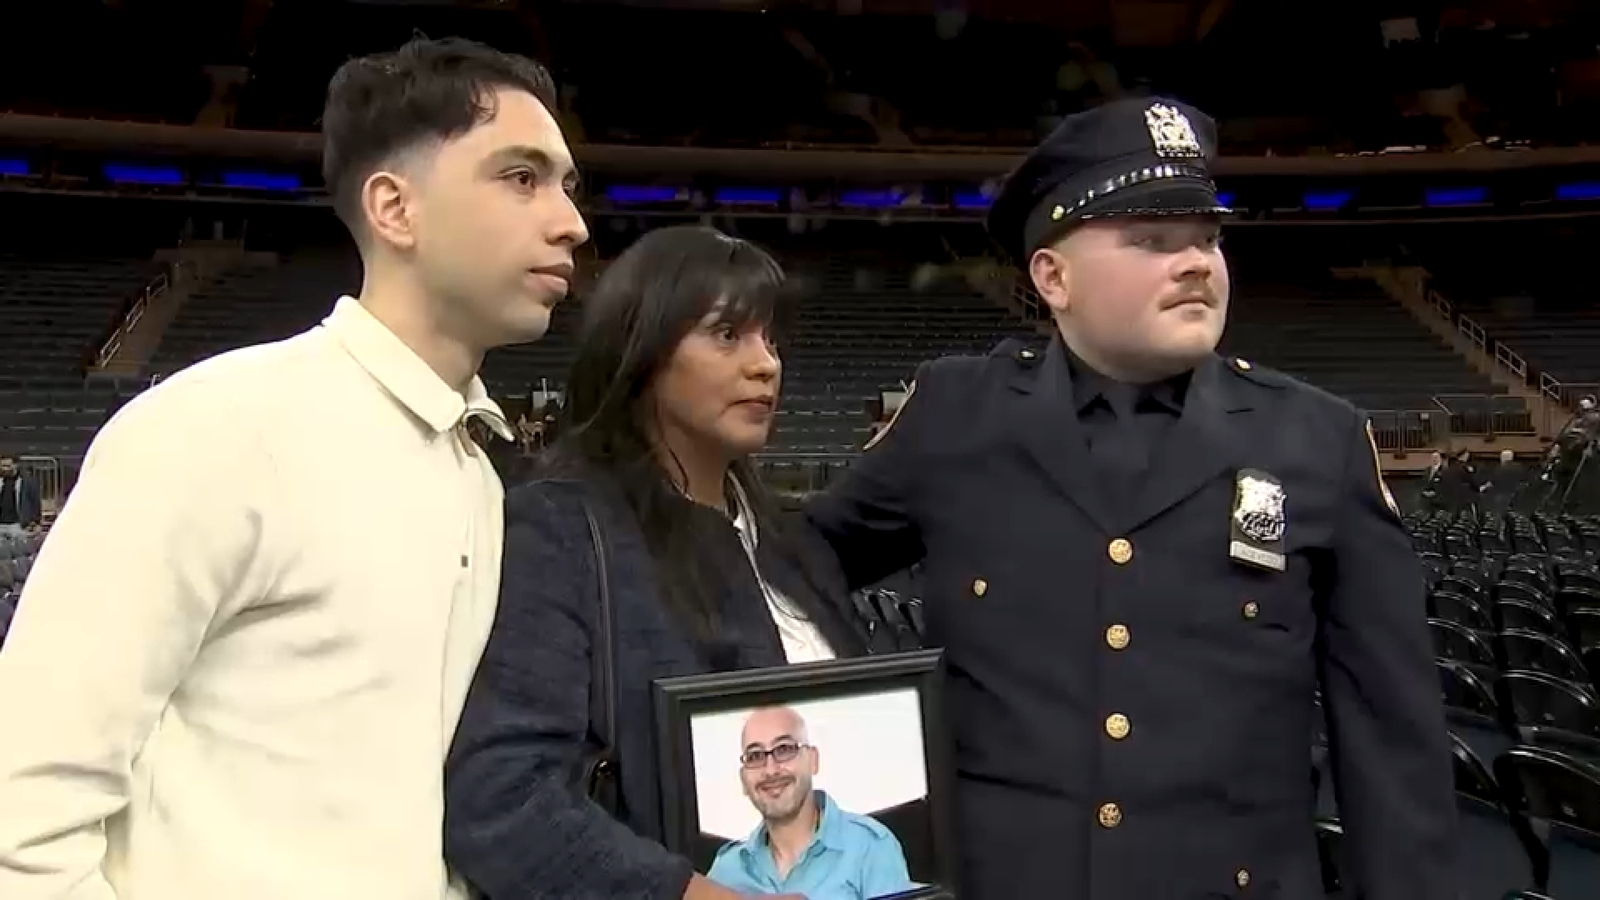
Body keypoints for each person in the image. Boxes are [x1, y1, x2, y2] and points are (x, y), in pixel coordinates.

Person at [806, 97, 1456, 899]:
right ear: (1053, 277)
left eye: (1208, 239)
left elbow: (1394, 740)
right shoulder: (953, 416)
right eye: (1152, 240)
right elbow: (793, 568)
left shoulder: (1319, 440)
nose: (1196, 263)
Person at [0, 37, 587, 900]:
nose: (570, 220)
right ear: (395, 207)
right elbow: (25, 813)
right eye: (521, 177)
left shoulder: (481, 475)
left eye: (568, 185)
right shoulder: (216, 430)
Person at [444, 225, 884, 900]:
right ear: (641, 353)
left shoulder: (795, 544)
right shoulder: (561, 531)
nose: (766, 363)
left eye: (771, 339)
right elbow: (502, 798)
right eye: (728, 335)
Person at [707, 706, 915, 900]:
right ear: (743, 779)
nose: (770, 770)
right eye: (755, 756)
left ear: (813, 761)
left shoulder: (870, 848)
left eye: (784, 749)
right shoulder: (725, 871)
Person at [0, 456, 42, 537]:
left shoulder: (27, 482)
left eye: (8, 466)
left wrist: (35, 521)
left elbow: (35, 502)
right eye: (2, 466)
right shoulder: (1, 481)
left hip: (18, 525)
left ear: (15, 465)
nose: (5, 469)